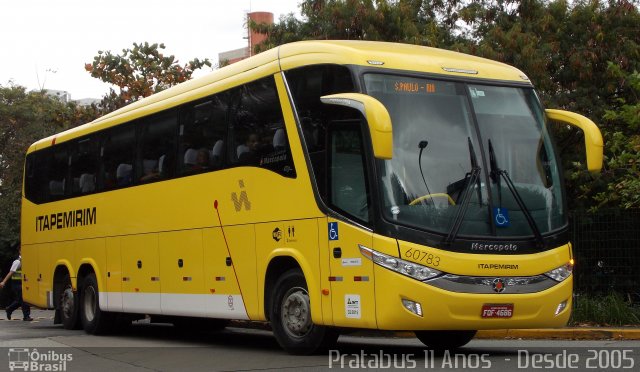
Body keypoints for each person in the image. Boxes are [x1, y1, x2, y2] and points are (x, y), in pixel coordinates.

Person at [0, 249, 33, 321]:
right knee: (24, 299)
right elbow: (11, 272)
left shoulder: (26, 261)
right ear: (20, 251)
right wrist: (3, 282)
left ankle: (9, 309)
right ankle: (26, 316)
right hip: (17, 284)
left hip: (23, 283)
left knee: (21, 300)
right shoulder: (17, 261)